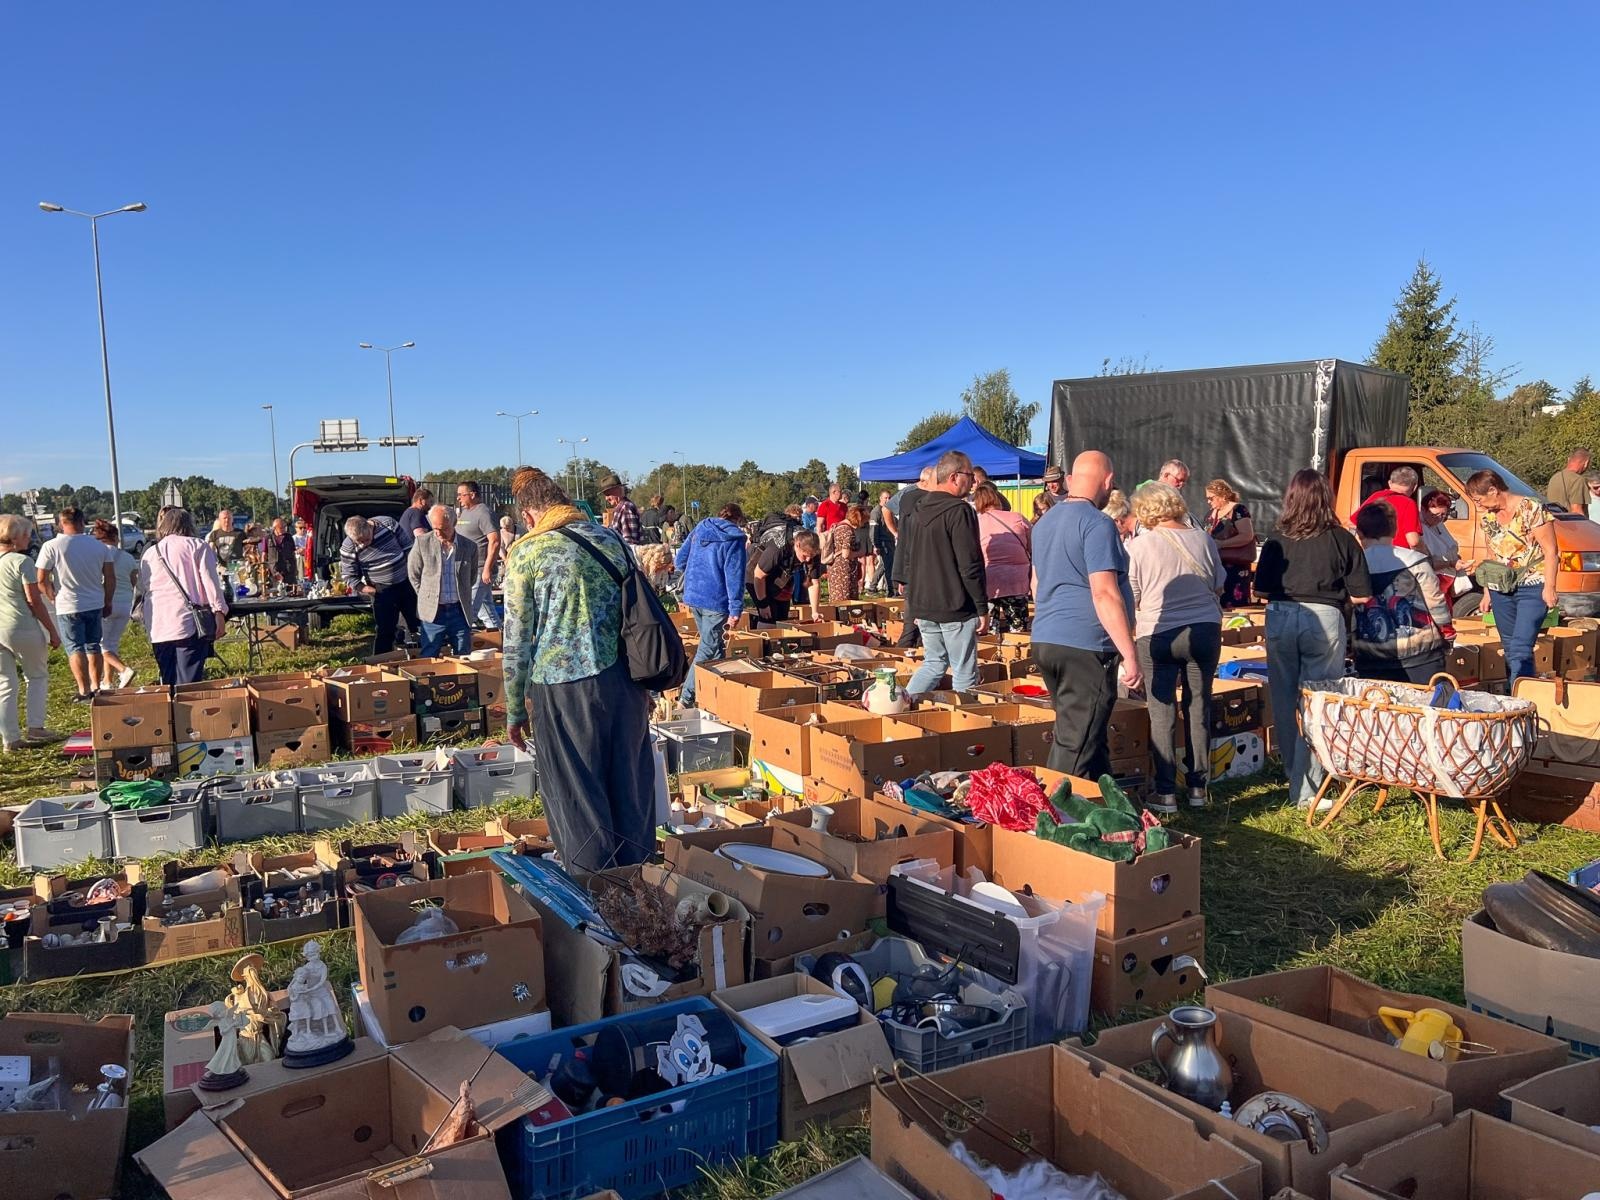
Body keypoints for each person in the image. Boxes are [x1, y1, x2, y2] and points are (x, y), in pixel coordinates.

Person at [502, 467, 654, 873]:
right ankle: (641, 888)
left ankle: (597, 900)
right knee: (630, 791)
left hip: (563, 687)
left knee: (577, 797)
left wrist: (515, 709)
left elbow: (517, 640)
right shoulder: (611, 539)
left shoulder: (527, 553)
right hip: (626, 682)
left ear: (529, 515)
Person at [1255, 470, 1372, 809]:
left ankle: (1295, 776)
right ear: (1327, 498)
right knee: (1317, 703)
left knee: (1284, 699)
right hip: (1324, 618)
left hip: (1280, 613)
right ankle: (1307, 788)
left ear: (1290, 497)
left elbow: (1261, 591)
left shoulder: (1277, 537)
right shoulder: (1342, 538)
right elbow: (1363, 596)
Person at [1031, 452, 1142, 778]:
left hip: (1047, 638)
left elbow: (1036, 584)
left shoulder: (1043, 524)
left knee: (1085, 732)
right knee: (1074, 745)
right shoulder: (1097, 524)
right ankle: (1050, 822)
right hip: (1086, 644)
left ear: (1068, 480)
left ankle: (1108, 811)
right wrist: (1129, 653)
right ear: (1108, 481)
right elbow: (1105, 593)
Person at [1127, 483, 1225, 812]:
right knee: (1199, 708)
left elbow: (1134, 596)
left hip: (1158, 632)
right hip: (1204, 629)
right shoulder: (1204, 539)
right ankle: (1199, 788)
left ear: (1145, 510)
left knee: (1162, 711)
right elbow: (1218, 583)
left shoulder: (1139, 546)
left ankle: (1166, 792)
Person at [905, 452, 987, 695]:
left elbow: (910, 558)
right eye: (970, 476)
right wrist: (982, 607)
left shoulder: (917, 510)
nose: (973, 482)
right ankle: (966, 728)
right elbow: (970, 564)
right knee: (964, 671)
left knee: (934, 664)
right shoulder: (959, 511)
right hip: (954, 605)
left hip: (923, 603)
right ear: (954, 477)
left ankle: (898, 709)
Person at [1465, 468, 1559, 683]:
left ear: (1493, 490)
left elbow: (1551, 551)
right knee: (1508, 646)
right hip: (1500, 588)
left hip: (1532, 585)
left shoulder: (1531, 507)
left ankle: (1521, 695)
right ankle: (1516, 687)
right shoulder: (1489, 517)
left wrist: (1550, 587)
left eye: (1478, 499)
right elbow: (1491, 556)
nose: (1477, 505)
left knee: (1521, 645)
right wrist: (1487, 592)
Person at [1351, 503, 1453, 684]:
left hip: (1369, 655)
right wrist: (1447, 630)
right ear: (1395, 529)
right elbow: (1435, 600)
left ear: (1359, 533)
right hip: (1420, 654)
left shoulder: (1353, 565)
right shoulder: (1415, 560)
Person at [140, 508, 230, 685]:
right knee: (189, 683)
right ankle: (184, 712)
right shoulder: (197, 546)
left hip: (158, 625)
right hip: (187, 622)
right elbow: (210, 583)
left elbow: (145, 588)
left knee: (168, 682)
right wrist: (219, 612)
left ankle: (169, 712)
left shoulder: (150, 553)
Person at [35, 506, 115, 702]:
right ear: (82, 522)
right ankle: (96, 685)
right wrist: (107, 600)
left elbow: (41, 579)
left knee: (75, 647)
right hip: (94, 602)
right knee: (93, 645)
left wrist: (51, 595)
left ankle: (83, 689)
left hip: (68, 604)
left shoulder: (51, 546)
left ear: (61, 523)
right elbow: (110, 577)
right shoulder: (99, 546)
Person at [675, 503, 748, 710]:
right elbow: (735, 576)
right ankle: (685, 701)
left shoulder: (700, 529)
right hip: (716, 601)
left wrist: (695, 574)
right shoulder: (735, 539)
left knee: (715, 650)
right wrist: (736, 609)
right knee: (708, 650)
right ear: (737, 520)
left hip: (694, 596)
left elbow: (680, 560)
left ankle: (714, 699)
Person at [0, 515, 60, 751]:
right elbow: (34, 601)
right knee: (36, 676)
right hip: (21, 626)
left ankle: (10, 739)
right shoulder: (21, 562)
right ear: (16, 537)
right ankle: (35, 727)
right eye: (26, 534)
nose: (29, 538)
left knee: (5, 684)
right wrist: (52, 631)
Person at [340, 515, 419, 655]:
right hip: (381, 589)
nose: (363, 544)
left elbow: (408, 548)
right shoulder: (349, 546)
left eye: (366, 539)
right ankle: (381, 664)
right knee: (385, 630)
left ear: (369, 527)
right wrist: (367, 589)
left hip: (406, 583)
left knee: (418, 623)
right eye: (359, 542)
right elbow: (348, 575)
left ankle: (426, 657)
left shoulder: (388, 524)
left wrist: (415, 574)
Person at [408, 505, 479, 657]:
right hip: (433, 613)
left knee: (464, 656)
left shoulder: (470, 547)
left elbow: (471, 578)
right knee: (429, 655)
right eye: (435, 528)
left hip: (459, 611)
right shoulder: (422, 543)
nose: (438, 533)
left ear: (454, 524)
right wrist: (427, 596)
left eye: (443, 529)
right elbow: (414, 574)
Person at [973, 481, 1031, 633]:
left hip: (988, 582)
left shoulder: (976, 522)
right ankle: (1018, 654)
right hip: (1017, 581)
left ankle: (993, 655)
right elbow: (1033, 547)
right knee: (1019, 632)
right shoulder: (1017, 517)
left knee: (989, 631)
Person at [889, 466, 937, 642]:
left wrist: (901, 575)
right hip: (923, 569)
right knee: (914, 625)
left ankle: (910, 660)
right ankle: (902, 659)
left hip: (908, 568)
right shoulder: (927, 503)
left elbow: (905, 540)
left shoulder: (906, 499)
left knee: (914, 624)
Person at [91, 519, 140, 690]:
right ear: (115, 538)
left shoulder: (97, 555)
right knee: (110, 645)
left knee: (100, 645)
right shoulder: (127, 557)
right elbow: (135, 582)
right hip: (125, 605)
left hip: (106, 603)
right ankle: (107, 682)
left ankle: (123, 670)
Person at [454, 480, 502, 629]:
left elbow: (494, 541)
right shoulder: (466, 512)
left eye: (461, 495)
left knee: (469, 611)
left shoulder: (484, 513)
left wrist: (487, 569)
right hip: (467, 568)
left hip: (480, 569)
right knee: (486, 610)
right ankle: (500, 639)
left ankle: (462, 645)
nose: (458, 498)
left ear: (473, 495)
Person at [1204, 478, 1256, 608]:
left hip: (1236, 566)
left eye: (1211, 498)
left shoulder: (1238, 510)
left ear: (1222, 496)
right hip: (1216, 567)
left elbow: (1247, 535)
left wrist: (1221, 544)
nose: (1208, 501)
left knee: (1235, 605)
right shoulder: (1210, 514)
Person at [751, 530, 822, 625]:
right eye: (805, 555)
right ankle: (763, 637)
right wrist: (763, 604)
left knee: (782, 618)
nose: (808, 559)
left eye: (811, 555)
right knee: (768, 616)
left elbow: (814, 583)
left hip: (783, 577)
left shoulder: (814, 554)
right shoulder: (777, 550)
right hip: (756, 575)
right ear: (797, 545)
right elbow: (759, 575)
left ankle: (780, 639)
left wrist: (815, 612)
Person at [1351, 466, 1423, 551]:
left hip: (1373, 554)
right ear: (1415, 487)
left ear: (1390, 483)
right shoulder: (1409, 503)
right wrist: (1427, 556)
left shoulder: (1376, 496)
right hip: (1400, 558)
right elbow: (1414, 542)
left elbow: (1352, 523)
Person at [1418, 488, 1463, 585]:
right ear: (1423, 509)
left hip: (1447, 576)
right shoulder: (1418, 526)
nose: (1439, 518)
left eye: (1443, 515)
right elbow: (1426, 562)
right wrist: (1451, 563)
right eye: (1435, 515)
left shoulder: (1438, 523)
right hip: (1432, 579)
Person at [824, 505, 866, 602]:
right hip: (843, 571)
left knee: (837, 599)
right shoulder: (847, 531)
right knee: (845, 601)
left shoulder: (838, 526)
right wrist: (859, 552)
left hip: (836, 569)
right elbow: (846, 554)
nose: (863, 524)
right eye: (864, 521)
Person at [596, 474, 643, 549]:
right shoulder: (620, 508)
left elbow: (630, 543)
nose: (606, 498)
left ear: (617, 490)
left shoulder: (626, 508)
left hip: (628, 557)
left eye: (608, 494)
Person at [868, 488, 897, 592]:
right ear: (880, 498)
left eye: (889, 498)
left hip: (890, 541)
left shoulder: (890, 511)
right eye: (885, 498)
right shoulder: (876, 512)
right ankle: (886, 589)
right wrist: (875, 545)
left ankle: (879, 587)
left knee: (886, 565)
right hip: (883, 542)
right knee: (886, 565)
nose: (888, 500)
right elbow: (873, 530)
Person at [1548, 449, 1592, 515]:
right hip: (1571, 524)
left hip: (1555, 522)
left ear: (1569, 460)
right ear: (1586, 463)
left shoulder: (1554, 478)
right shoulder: (1578, 480)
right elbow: (1577, 511)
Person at [266, 517, 297, 585]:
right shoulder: (268, 538)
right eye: (281, 527)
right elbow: (264, 554)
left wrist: (294, 568)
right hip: (274, 570)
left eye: (284, 527)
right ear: (275, 528)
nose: (284, 529)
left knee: (291, 589)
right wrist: (266, 569)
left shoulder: (289, 537)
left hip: (288, 569)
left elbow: (293, 552)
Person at [292, 516, 313, 582]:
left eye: (304, 528)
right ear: (296, 528)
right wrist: (305, 549)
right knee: (302, 577)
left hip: (308, 558)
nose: (303, 529)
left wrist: (304, 549)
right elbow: (298, 551)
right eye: (300, 528)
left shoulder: (308, 537)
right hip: (300, 559)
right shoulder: (294, 538)